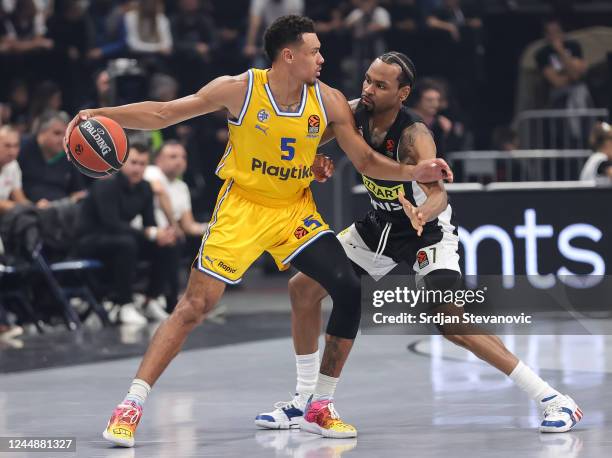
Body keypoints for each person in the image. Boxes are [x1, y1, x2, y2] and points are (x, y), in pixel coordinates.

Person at [64, 15, 452, 447]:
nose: (322, 58)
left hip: (293, 210)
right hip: (243, 209)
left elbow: (363, 161)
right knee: (195, 305)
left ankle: (318, 406)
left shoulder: (328, 100)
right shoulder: (239, 88)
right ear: (289, 56)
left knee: (345, 285)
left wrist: (411, 170)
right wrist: (100, 112)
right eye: (314, 51)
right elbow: (164, 113)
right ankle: (130, 405)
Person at [255, 51, 583, 435]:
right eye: (367, 80)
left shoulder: (415, 136)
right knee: (303, 288)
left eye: (381, 85)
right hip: (379, 225)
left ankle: (554, 399)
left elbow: (438, 194)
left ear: (403, 93)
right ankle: (303, 401)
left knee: (452, 323)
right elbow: (307, 145)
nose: (369, 89)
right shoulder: (354, 111)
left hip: (426, 231)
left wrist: (423, 212)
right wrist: (316, 162)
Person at [75, 143, 178, 325]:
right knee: (127, 244)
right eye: (134, 163)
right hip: (89, 240)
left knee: (167, 244)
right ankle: (125, 303)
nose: (138, 168)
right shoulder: (106, 184)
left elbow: (149, 223)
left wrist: (160, 234)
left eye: (143, 164)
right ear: (122, 163)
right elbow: (111, 223)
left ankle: (151, 299)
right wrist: (149, 233)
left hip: (121, 237)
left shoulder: (145, 187)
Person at [143, 140, 208, 312]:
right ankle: (166, 299)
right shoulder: (151, 172)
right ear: (158, 160)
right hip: (146, 231)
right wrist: (174, 224)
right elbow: (160, 192)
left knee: (203, 242)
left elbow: (189, 226)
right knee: (173, 241)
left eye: (183, 157)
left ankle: (196, 296)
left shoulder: (182, 187)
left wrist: (215, 229)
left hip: (170, 235)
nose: (179, 161)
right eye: (172, 156)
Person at [18, 110, 85, 207]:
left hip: (61, 210)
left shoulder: (69, 155)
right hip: (27, 210)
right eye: (57, 133)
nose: (63, 139)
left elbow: (77, 192)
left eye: (66, 134)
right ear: (41, 133)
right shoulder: (22, 147)